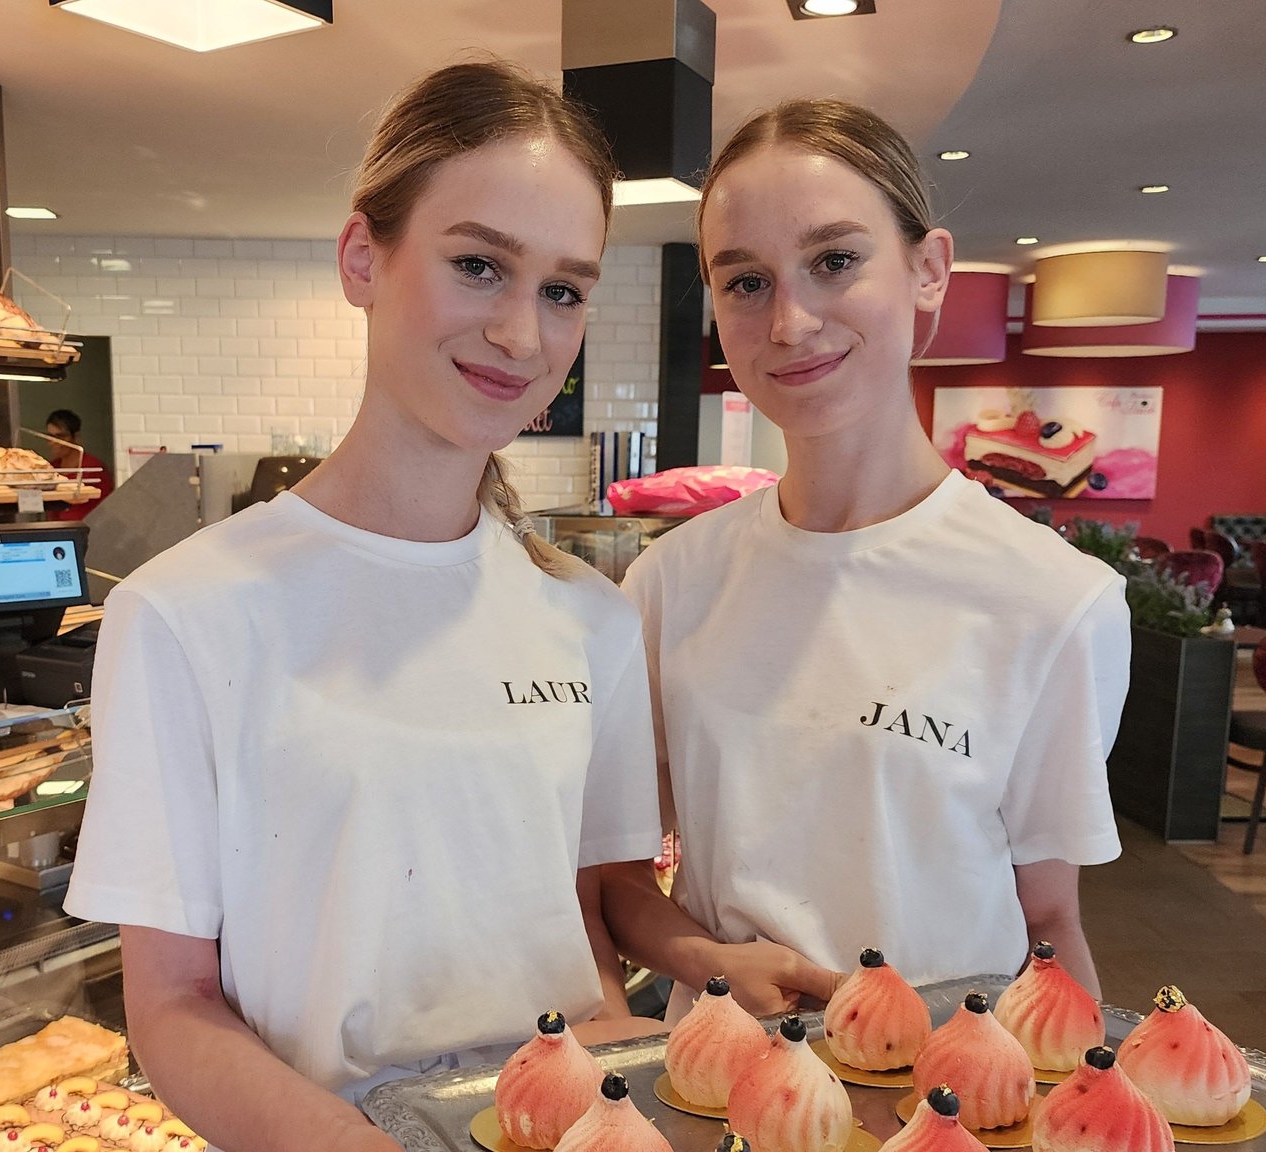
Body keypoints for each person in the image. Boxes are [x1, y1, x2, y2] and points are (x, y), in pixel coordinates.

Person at [65, 61, 663, 1152]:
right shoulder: (183, 614)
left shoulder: (589, 617)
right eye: (479, 265)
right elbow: (170, 1004)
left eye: (563, 290)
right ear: (361, 259)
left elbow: (584, 926)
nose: (524, 337)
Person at [603, 99, 1127, 1019]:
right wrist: (711, 961)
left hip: (946, 1101)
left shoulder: (1056, 602)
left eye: (834, 262)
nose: (791, 322)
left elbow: (1048, 918)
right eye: (746, 282)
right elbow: (616, 873)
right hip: (719, 1086)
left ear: (929, 270)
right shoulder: (671, 585)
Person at [44, 408, 111, 519]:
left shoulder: (94, 469)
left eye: (60, 437)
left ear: (76, 437)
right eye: (50, 437)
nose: (53, 443)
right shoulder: (51, 467)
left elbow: (105, 509)